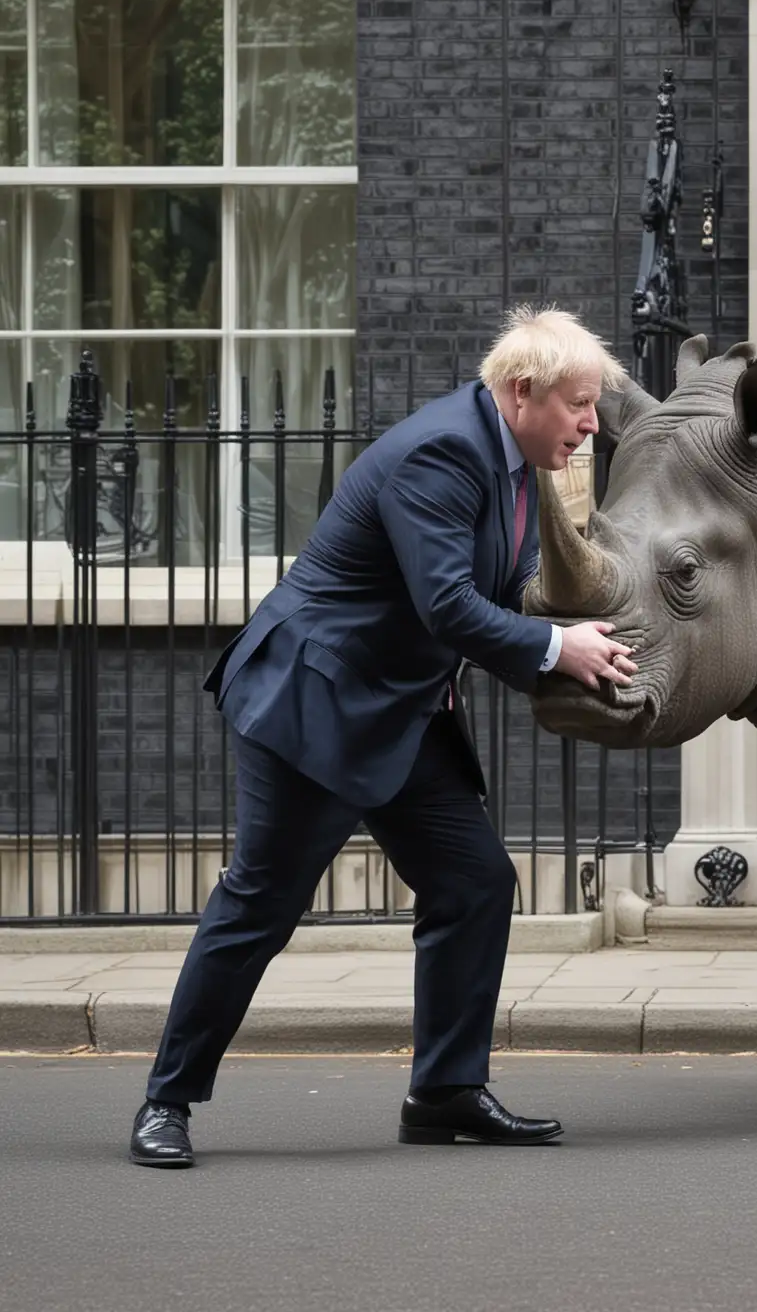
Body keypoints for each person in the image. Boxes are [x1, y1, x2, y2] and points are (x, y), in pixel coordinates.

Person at [129, 306, 639, 1168]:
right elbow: (447, 602)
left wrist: (581, 634)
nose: (592, 424)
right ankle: (166, 1102)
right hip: (318, 704)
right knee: (260, 906)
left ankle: (443, 1092)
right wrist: (558, 647)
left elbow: (500, 589)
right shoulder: (441, 453)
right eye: (580, 405)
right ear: (523, 393)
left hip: (402, 707)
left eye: (593, 407)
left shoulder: (517, 462)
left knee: (475, 883)